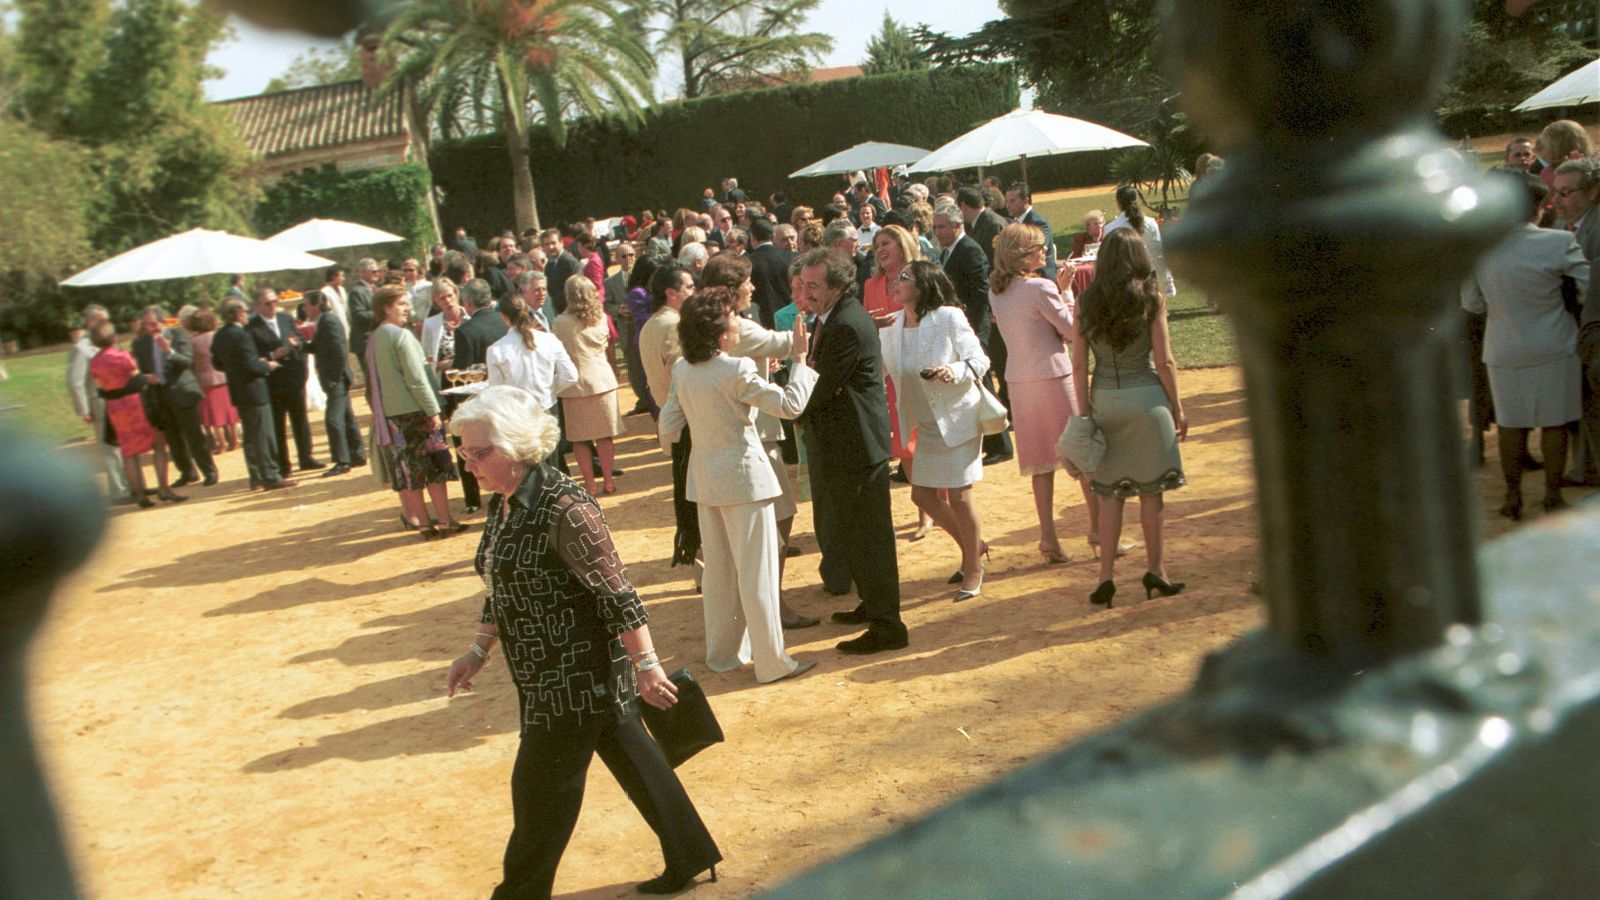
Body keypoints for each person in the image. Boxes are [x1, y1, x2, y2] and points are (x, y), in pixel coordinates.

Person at [446, 390, 722, 897]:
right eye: (462, 452)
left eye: (479, 453)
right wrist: (479, 650)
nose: (469, 463)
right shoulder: (503, 502)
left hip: (576, 679)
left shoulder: (566, 507)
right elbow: (499, 584)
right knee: (637, 760)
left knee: (539, 794)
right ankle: (691, 853)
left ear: (517, 447)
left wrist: (648, 666)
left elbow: (617, 592)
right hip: (540, 673)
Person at [659, 287, 820, 681]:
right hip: (745, 481)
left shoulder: (683, 369)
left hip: (707, 481)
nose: (739, 320)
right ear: (719, 331)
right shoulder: (736, 369)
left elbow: (668, 425)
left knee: (720, 573)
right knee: (757, 573)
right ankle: (772, 662)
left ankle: (724, 654)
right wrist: (800, 361)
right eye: (733, 315)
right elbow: (789, 406)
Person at [796, 248, 907, 655]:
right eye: (804, 284)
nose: (805, 292)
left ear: (836, 286)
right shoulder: (833, 316)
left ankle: (888, 626)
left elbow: (819, 387)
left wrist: (791, 404)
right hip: (847, 444)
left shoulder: (844, 323)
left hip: (856, 446)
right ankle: (872, 605)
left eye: (813, 286)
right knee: (857, 534)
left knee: (869, 538)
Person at [1072, 229, 1189, 608]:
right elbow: (1166, 360)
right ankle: (1156, 570)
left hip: (1106, 397)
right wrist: (1179, 407)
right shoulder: (1150, 298)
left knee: (1109, 496)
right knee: (1151, 495)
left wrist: (1084, 412)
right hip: (1147, 399)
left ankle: (1105, 577)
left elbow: (1078, 366)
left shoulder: (1086, 302)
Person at [1460, 173, 1588, 518]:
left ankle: (1512, 497)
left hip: (1504, 346)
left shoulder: (1479, 248)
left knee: (1511, 424)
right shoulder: (1558, 242)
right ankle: (1552, 495)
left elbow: (1471, 302)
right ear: (1541, 206)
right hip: (1554, 342)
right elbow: (1589, 286)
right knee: (1555, 422)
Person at [880, 260, 992, 600]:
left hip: (958, 418)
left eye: (905, 277)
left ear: (924, 284)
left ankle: (973, 568)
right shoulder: (892, 326)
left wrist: (953, 371)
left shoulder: (948, 317)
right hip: (925, 425)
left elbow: (979, 361)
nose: (897, 282)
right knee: (922, 495)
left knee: (959, 495)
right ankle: (976, 548)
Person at [989, 222, 1097, 564]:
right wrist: (1066, 292)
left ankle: (1049, 537)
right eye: (1038, 248)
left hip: (1020, 382)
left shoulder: (998, 291)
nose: (1045, 252)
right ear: (1021, 255)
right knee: (1081, 453)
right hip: (1053, 377)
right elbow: (1072, 331)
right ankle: (1099, 531)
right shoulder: (1039, 287)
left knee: (1040, 464)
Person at [366, 285, 466, 539]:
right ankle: (444, 520)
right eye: (401, 303)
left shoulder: (376, 337)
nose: (407, 308)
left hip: (393, 414)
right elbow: (416, 379)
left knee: (409, 471)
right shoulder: (400, 336)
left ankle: (423, 523)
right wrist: (433, 410)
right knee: (434, 468)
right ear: (385, 308)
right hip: (417, 411)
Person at [88, 321, 178, 507]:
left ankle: (139, 495)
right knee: (158, 444)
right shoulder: (121, 356)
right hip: (135, 404)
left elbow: (102, 388)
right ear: (113, 337)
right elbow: (137, 380)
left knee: (129, 453)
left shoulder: (95, 362)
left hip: (115, 408)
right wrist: (147, 378)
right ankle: (163, 488)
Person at [209, 299, 295, 490]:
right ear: (238, 313)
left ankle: (256, 477)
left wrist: (236, 368)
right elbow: (251, 364)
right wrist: (268, 365)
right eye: (245, 311)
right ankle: (271, 475)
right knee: (264, 434)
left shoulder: (220, 335)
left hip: (238, 389)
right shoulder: (241, 334)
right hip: (254, 389)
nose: (247, 314)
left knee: (250, 436)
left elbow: (217, 362)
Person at [552, 278, 625, 496]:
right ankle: (609, 480)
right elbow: (610, 347)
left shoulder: (559, 323)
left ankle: (590, 484)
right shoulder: (602, 318)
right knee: (605, 436)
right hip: (602, 380)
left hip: (574, 386)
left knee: (580, 439)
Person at [1552, 157, 1600, 487]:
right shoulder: (1561, 227)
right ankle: (1586, 467)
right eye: (1556, 192)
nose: (1557, 201)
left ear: (1594, 191)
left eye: (1566, 193)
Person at [131, 306, 217, 488]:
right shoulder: (140, 344)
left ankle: (209, 471)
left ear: (163, 321)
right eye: (146, 325)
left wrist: (169, 351)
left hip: (182, 391)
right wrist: (145, 378)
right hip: (159, 395)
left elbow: (187, 361)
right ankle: (187, 472)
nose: (150, 328)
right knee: (172, 439)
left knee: (194, 435)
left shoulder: (178, 335)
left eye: (153, 323)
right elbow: (136, 372)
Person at [247, 288, 324, 476]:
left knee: (300, 420)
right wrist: (272, 355)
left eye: (275, 301)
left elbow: (297, 337)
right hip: (273, 381)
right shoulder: (251, 328)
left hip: (294, 377)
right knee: (278, 425)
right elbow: (250, 355)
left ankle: (306, 457)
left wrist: (295, 344)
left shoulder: (285, 319)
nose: (273, 306)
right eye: (267, 303)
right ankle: (283, 464)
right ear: (258, 306)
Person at [68, 305, 135, 501]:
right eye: (102, 320)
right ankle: (120, 491)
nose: (107, 324)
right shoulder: (82, 348)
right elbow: (75, 381)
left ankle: (133, 485)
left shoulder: (108, 341)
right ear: (90, 322)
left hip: (118, 400)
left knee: (124, 446)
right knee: (110, 449)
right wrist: (84, 410)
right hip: (99, 404)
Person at [487, 293, 579, 430]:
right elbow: (570, 376)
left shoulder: (496, 350)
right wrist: (549, 390)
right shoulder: (549, 339)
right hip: (547, 407)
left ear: (505, 318)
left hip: (518, 414)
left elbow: (497, 392)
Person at [307, 292, 365, 476]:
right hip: (337, 376)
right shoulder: (324, 320)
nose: (305, 308)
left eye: (307, 304)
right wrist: (299, 345)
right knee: (346, 416)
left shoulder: (328, 321)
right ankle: (356, 454)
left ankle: (342, 460)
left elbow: (340, 351)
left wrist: (335, 377)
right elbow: (320, 348)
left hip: (336, 377)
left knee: (333, 419)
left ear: (317, 304)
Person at [1104, 186, 1177, 297]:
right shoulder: (1151, 223)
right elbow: (1158, 254)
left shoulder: (1110, 228)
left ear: (1118, 203)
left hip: (1123, 279)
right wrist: (1168, 282)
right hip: (1147, 275)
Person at [187, 307, 239, 455]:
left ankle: (220, 443)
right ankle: (234, 440)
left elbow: (190, 363)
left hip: (205, 380)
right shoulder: (218, 335)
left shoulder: (193, 342)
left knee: (213, 414)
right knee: (229, 411)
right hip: (223, 375)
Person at [1003, 182, 1058, 279]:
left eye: (1012, 201)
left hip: (1040, 277)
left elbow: (1037, 251)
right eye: (1006, 201)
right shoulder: (1015, 222)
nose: (1008, 206)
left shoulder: (1038, 222)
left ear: (1026, 201)